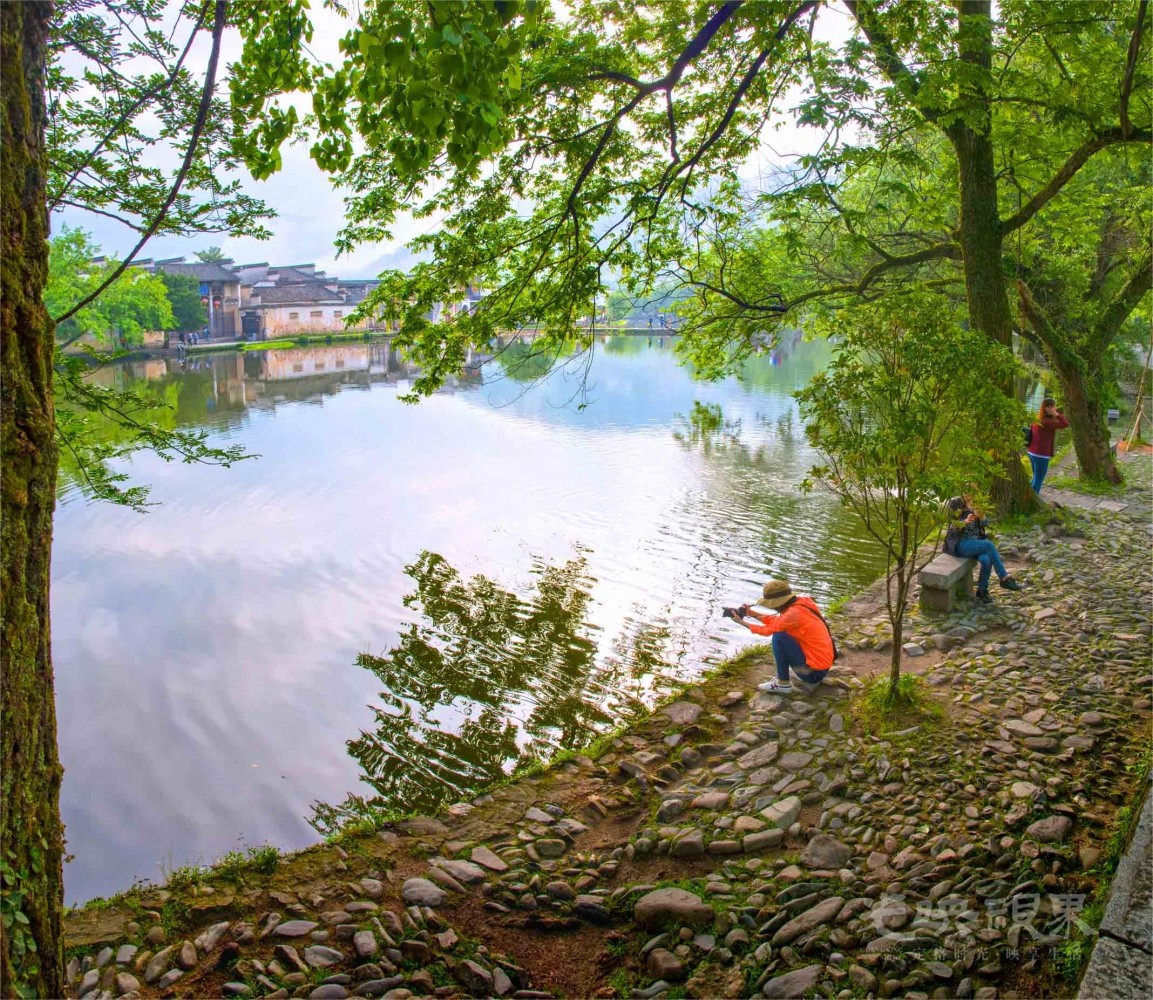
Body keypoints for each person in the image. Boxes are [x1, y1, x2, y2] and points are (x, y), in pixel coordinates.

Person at [728, 580, 835, 694]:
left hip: (812, 674)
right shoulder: (803, 603)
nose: (773, 608)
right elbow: (778, 622)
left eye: (772, 605)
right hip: (824, 667)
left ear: (778, 603)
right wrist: (751, 613)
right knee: (784, 634)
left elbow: (767, 631)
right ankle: (787, 676)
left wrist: (742, 622)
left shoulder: (792, 614)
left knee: (779, 637)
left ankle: (782, 684)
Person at [944, 491, 1023, 604]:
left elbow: (985, 523)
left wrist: (981, 516)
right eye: (966, 490)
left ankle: (982, 590)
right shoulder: (955, 503)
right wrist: (964, 522)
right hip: (960, 544)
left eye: (972, 490)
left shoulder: (978, 503)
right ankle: (1004, 578)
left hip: (976, 542)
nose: (968, 494)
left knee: (986, 559)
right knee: (988, 545)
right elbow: (951, 526)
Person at [1027, 397, 1069, 494]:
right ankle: (1033, 500)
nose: (1056, 408)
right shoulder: (1048, 422)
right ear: (1050, 408)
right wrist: (1056, 414)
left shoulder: (1037, 418)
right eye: (1055, 407)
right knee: (1038, 481)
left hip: (1032, 452)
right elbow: (1065, 424)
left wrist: (1054, 414)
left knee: (1035, 478)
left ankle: (1027, 497)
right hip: (1041, 455)